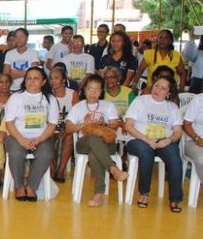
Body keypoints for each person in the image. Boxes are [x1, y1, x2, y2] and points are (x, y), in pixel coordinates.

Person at [64, 75, 128, 206]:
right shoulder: (78, 107)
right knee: (93, 139)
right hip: (84, 143)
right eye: (90, 89)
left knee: (94, 153)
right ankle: (113, 168)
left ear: (101, 92)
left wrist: (102, 124)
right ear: (85, 90)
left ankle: (99, 193)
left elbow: (115, 124)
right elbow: (68, 128)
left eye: (96, 90)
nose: (93, 93)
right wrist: (84, 124)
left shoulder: (108, 105)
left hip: (106, 143)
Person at [124, 76, 183, 212]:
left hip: (163, 141)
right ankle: (144, 193)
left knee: (175, 158)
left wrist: (168, 140)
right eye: (156, 85)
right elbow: (129, 125)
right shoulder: (141, 101)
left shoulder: (172, 107)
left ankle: (175, 199)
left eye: (163, 88)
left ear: (169, 93)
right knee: (146, 153)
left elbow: (178, 132)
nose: (158, 89)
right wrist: (146, 139)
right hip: (138, 139)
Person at [4, 66, 59, 201]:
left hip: (42, 137)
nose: (31, 81)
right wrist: (21, 139)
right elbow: (9, 123)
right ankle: (19, 186)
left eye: (36, 79)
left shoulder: (50, 99)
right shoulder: (16, 97)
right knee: (16, 153)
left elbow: (52, 124)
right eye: (29, 78)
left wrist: (39, 139)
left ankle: (31, 187)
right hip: (17, 136)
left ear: (43, 82)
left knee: (45, 153)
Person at [48, 67, 79, 183]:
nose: (53, 81)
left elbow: (77, 116)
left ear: (63, 79)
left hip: (67, 127)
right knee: (47, 136)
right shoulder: (47, 94)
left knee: (69, 136)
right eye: (51, 78)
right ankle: (51, 170)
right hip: (50, 127)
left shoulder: (72, 94)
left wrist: (65, 129)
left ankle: (61, 171)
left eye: (56, 78)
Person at [183, 92, 203, 187]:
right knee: (201, 159)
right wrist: (196, 138)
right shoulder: (198, 100)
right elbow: (186, 124)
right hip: (194, 140)